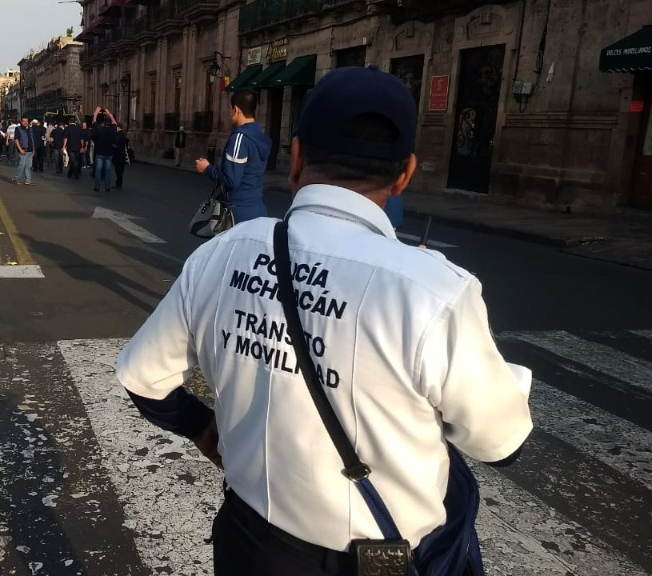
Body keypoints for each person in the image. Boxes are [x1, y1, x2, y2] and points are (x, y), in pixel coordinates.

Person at [115, 66, 533, 576]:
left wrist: (203, 428)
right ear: (404, 174)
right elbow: (499, 443)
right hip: (376, 560)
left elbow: (142, 377)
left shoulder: (223, 254)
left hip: (252, 547)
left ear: (295, 160)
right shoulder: (433, 292)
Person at [195, 90, 271, 223]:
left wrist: (207, 169)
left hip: (237, 212)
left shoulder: (240, 138)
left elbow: (231, 181)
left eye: (231, 109)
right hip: (257, 209)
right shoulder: (260, 136)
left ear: (236, 110)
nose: (230, 113)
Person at [90, 107, 118, 195]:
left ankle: (97, 187)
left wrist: (96, 112)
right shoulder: (112, 130)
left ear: (103, 123)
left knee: (98, 171)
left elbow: (93, 122)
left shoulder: (100, 129)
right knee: (108, 171)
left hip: (100, 153)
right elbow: (115, 123)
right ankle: (107, 187)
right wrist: (109, 114)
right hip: (109, 153)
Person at [13, 116, 35, 185]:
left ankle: (28, 180)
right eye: (23, 121)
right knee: (22, 165)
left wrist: (33, 149)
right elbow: (16, 140)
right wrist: (20, 149)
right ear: (21, 122)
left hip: (30, 150)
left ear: (28, 122)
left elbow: (32, 139)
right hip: (23, 149)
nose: (25, 123)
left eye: (26, 121)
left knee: (28, 165)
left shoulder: (30, 129)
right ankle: (15, 178)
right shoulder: (18, 129)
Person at [112, 124, 129, 188]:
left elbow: (116, 144)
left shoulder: (120, 134)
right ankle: (119, 183)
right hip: (121, 155)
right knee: (119, 170)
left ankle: (119, 184)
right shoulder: (122, 134)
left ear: (118, 128)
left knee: (118, 170)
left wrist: (111, 145)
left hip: (119, 155)